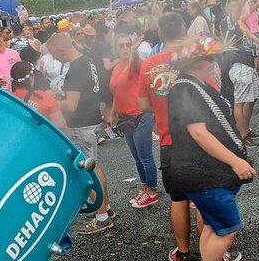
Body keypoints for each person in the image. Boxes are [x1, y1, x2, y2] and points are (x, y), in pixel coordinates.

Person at [168, 35, 252, 261]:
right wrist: (235, 161)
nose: (215, 62)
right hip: (204, 174)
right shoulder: (186, 89)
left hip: (205, 173)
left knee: (213, 228)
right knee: (228, 229)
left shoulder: (194, 85)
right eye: (211, 58)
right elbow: (199, 133)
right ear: (198, 62)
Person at [138, 13, 201, 261]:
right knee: (204, 196)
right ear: (184, 31)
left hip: (169, 141)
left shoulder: (148, 65)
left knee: (178, 199)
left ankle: (182, 253)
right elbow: (212, 93)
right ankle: (212, 252)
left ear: (160, 34)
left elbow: (143, 105)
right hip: (201, 137)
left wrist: (162, 105)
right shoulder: (195, 56)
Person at [46, 32, 113, 235]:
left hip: (82, 123)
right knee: (94, 166)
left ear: (61, 50)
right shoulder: (87, 60)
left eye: (54, 54)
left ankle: (101, 217)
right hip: (91, 118)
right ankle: (106, 208)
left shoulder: (76, 68)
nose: (55, 58)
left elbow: (71, 105)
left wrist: (49, 102)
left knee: (87, 171)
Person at [107, 34, 159, 208]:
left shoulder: (136, 64)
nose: (125, 48)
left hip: (140, 116)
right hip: (125, 118)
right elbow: (116, 93)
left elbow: (137, 63)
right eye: (121, 45)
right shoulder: (117, 66)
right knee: (137, 157)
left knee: (145, 156)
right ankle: (145, 188)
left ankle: (151, 192)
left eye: (128, 45)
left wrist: (135, 50)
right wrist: (112, 114)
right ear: (115, 48)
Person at [10, 61, 68, 133]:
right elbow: (61, 127)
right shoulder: (46, 98)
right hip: (41, 138)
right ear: (31, 77)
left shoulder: (7, 99)